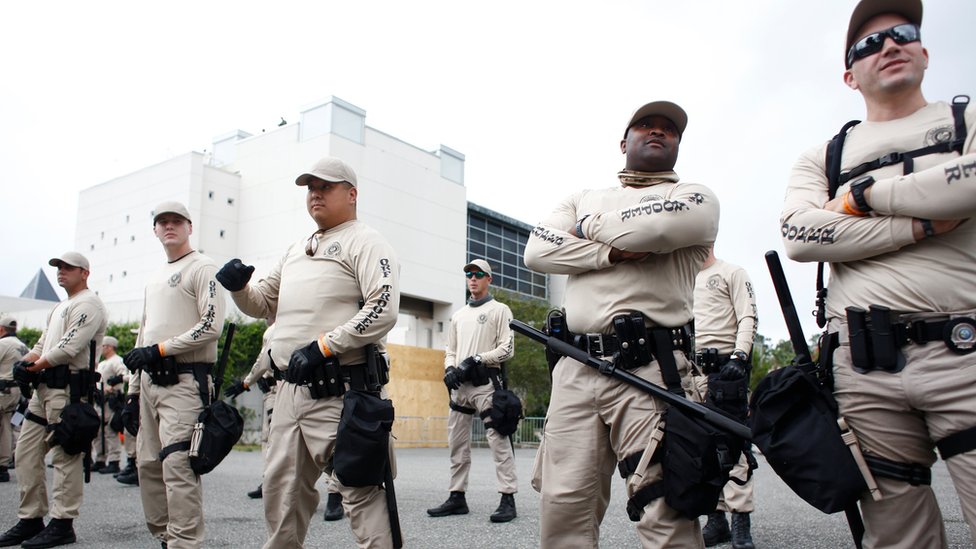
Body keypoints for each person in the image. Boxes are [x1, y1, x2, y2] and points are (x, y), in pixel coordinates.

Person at [780, 0, 976, 546]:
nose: (889, 46)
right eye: (869, 44)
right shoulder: (824, 156)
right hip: (864, 370)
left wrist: (863, 198)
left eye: (902, 34)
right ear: (850, 75)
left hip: (965, 355)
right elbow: (799, 236)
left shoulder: (964, 122)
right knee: (896, 536)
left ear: (925, 52)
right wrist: (921, 224)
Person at [524, 101, 719, 547]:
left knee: (664, 507)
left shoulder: (694, 196)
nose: (657, 131)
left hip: (649, 368)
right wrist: (609, 252)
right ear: (623, 142)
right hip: (575, 368)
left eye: (668, 129)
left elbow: (654, 232)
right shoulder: (580, 196)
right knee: (563, 507)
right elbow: (537, 251)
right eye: (645, 125)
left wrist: (584, 229)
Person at [217, 156, 401, 548]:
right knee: (281, 494)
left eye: (326, 186)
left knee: (359, 489)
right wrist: (239, 289)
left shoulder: (365, 241)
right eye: (311, 188)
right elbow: (263, 302)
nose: (315, 193)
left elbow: (383, 308)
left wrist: (324, 346)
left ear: (351, 194)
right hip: (287, 392)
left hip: (340, 391)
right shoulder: (296, 250)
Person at [123, 201, 226, 548]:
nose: (169, 226)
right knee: (148, 465)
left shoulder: (202, 267)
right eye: (162, 222)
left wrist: (161, 350)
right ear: (154, 230)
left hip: (184, 380)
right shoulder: (154, 278)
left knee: (179, 465)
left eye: (177, 221)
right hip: (149, 382)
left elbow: (211, 326)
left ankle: (185, 542)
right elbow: (143, 333)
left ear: (189, 227)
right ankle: (166, 538)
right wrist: (132, 392)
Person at [0, 252, 108, 548]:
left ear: (85, 273)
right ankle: (31, 518)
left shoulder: (89, 303)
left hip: (68, 389)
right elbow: (42, 344)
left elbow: (68, 347)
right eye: (59, 267)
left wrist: (32, 367)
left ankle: (62, 523)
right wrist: (25, 364)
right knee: (26, 452)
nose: (61, 271)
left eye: (68, 267)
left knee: (65, 456)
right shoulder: (61, 306)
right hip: (44, 388)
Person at [427, 258, 517, 523]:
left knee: (498, 440)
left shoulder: (500, 310)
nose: (473, 278)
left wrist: (477, 359)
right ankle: (457, 496)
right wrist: (449, 368)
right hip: (460, 387)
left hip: (485, 384)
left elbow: (507, 349)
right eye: (469, 274)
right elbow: (450, 349)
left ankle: (508, 497)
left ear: (489, 279)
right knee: (457, 443)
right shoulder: (458, 315)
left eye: (478, 274)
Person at [693, 248, 758, 549]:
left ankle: (740, 519)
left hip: (726, 371)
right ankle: (716, 519)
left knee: (735, 448)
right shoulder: (682, 279)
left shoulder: (732, 272)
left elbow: (748, 316)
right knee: (701, 449)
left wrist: (740, 356)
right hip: (692, 373)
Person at [0, 316, 29, 484]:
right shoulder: (23, 346)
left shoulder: (3, 344)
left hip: (3, 390)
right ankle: (3, 466)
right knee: (6, 426)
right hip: (16, 391)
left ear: (1, 329)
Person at [92, 336, 127, 475]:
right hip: (100, 400)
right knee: (98, 431)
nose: (101, 349)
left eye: (103, 346)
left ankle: (114, 460)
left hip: (111, 400)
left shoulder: (117, 361)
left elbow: (124, 376)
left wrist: (112, 387)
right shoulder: (102, 363)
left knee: (110, 430)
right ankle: (100, 458)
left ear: (110, 346)